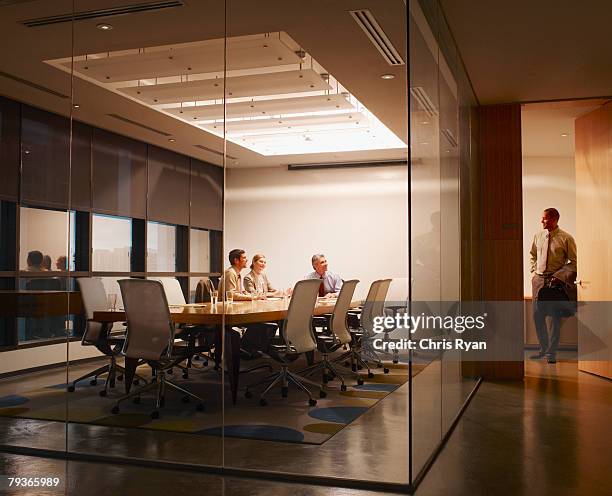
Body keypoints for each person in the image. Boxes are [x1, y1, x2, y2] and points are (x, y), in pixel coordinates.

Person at [529, 208, 577, 364]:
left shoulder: (566, 238)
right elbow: (533, 255)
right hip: (538, 281)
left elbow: (574, 262)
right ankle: (543, 349)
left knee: (554, 319)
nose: (542, 221)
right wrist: (534, 270)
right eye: (542, 218)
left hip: (554, 282)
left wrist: (559, 277)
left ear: (555, 219)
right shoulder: (538, 236)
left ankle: (551, 354)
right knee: (537, 316)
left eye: (545, 219)